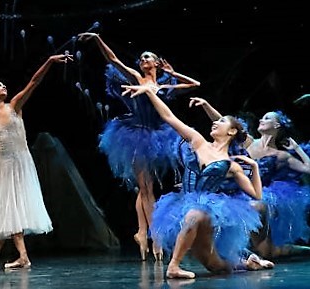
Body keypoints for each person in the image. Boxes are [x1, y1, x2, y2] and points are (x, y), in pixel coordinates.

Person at [122, 84, 272, 278]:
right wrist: (150, 93)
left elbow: (256, 195)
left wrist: (254, 167)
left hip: (209, 208)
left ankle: (173, 267)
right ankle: (247, 263)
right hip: (180, 205)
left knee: (196, 215)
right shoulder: (198, 141)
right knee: (216, 265)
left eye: (222, 121)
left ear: (232, 132)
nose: (215, 123)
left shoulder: (231, 165)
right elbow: (169, 117)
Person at [78, 32, 201, 261]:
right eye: (142, 58)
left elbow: (195, 84)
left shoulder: (164, 85)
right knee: (146, 188)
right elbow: (114, 60)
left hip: (160, 135)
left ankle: (141, 231)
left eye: (148, 57)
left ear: (156, 62)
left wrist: (172, 73)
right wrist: (97, 38)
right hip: (135, 135)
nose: (143, 60)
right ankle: (156, 237)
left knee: (147, 185)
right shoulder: (136, 78)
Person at [0, 53, 72, 269]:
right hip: (1, 165)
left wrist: (49, 61)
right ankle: (21, 256)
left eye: (4, 85)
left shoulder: (13, 106)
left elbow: (34, 82)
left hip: (21, 162)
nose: (3, 87)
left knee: (13, 207)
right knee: (10, 207)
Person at [190, 97, 310, 258]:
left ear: (277, 125)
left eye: (267, 118)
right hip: (238, 192)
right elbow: (227, 125)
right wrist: (206, 105)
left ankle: (299, 250)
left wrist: (296, 148)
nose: (261, 119)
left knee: (266, 251)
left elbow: (308, 168)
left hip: (260, 193)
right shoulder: (249, 142)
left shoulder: (281, 155)